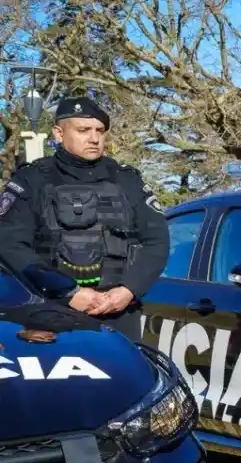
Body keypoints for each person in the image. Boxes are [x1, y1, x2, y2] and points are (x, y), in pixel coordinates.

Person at [0, 96, 169, 342]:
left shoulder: (127, 180)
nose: (94, 138)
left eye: (100, 131)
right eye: (83, 130)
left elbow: (157, 241)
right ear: (58, 133)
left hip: (119, 314)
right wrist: (69, 292)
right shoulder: (32, 180)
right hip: (48, 313)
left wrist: (129, 290)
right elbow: (10, 245)